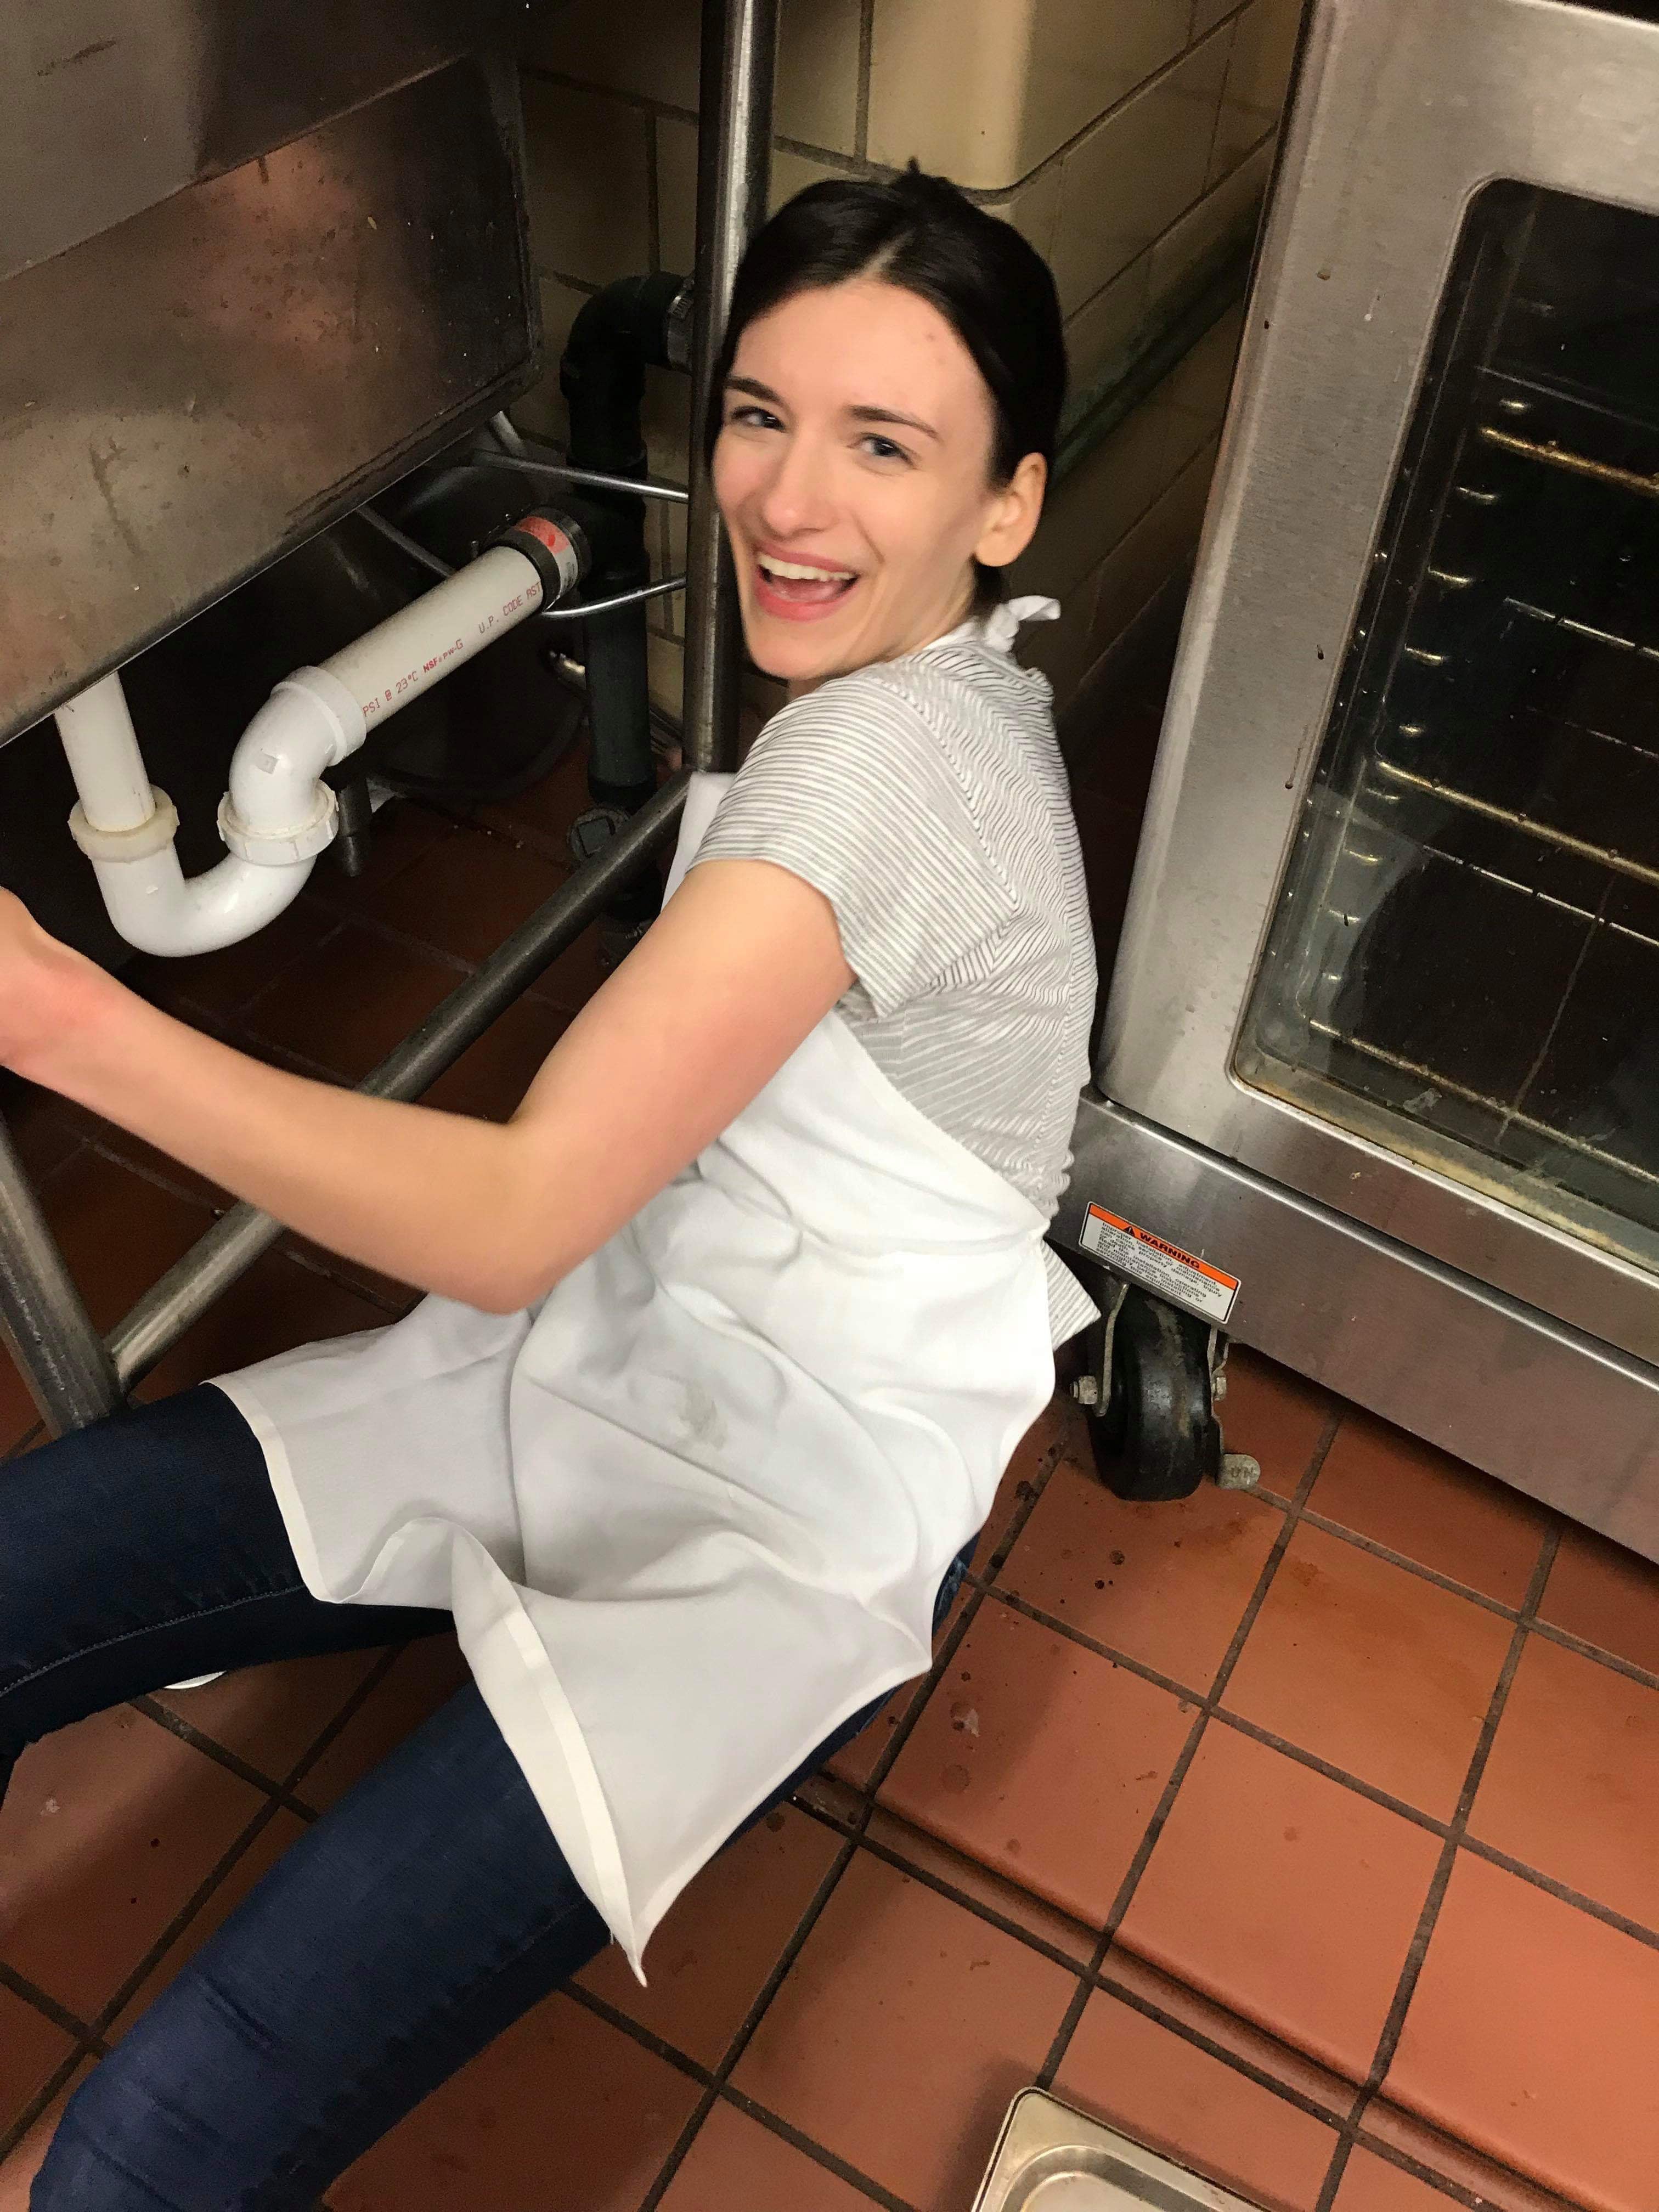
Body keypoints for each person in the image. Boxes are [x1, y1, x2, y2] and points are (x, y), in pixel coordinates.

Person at [0, 165, 1095, 2207]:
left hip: (805, 1490)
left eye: (885, 444)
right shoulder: (884, 709)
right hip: (613, 1336)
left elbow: (512, 1213)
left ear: (1006, 504)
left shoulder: (893, 767)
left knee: (146, 2152)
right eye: (761, 415)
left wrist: (60, 1013)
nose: (787, 500)